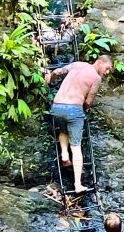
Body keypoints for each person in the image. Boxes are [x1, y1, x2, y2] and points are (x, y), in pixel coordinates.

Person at [44, 56, 113, 193]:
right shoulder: (95, 78)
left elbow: (57, 72)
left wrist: (49, 79)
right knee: (76, 147)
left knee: (63, 130)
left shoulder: (77, 64)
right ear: (100, 62)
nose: (106, 73)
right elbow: (89, 100)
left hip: (56, 107)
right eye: (107, 69)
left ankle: (64, 155)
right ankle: (78, 184)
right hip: (73, 110)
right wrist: (87, 107)